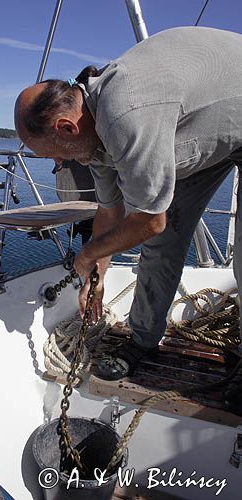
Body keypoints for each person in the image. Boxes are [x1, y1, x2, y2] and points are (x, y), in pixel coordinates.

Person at [14, 27, 242, 414]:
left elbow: (148, 221)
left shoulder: (125, 113)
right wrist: (95, 279)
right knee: (162, 245)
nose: (57, 164)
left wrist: (86, 256)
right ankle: (142, 340)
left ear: (67, 128)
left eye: (51, 154)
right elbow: (111, 214)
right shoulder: (92, 137)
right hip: (206, 137)